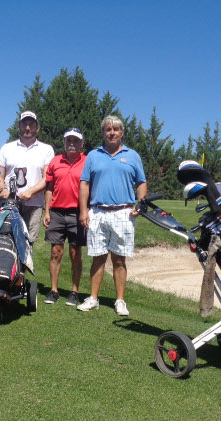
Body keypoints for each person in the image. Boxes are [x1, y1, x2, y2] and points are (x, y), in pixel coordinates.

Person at [77, 115, 147, 315]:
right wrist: (83, 210)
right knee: (98, 258)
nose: (112, 133)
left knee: (119, 259)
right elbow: (84, 183)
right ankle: (93, 298)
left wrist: (140, 204)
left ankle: (120, 300)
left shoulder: (132, 155)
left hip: (124, 213)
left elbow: (141, 182)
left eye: (115, 130)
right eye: (108, 129)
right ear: (103, 133)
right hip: (98, 212)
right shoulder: (93, 155)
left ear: (122, 133)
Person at [42, 128, 88, 306]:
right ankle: (54, 290)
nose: (72, 143)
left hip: (77, 212)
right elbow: (49, 188)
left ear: (81, 144)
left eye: (75, 141)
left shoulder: (87, 161)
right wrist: (46, 211)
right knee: (56, 252)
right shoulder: (55, 161)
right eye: (68, 140)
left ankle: (74, 292)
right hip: (57, 212)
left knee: (75, 253)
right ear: (64, 142)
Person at [0, 111, 54, 243]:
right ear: (19, 126)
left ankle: (25, 265)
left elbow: (47, 178)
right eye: (24, 124)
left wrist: (30, 192)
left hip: (34, 204)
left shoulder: (46, 149)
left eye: (31, 125)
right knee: (7, 240)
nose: (27, 128)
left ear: (37, 128)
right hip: (9, 203)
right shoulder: (7, 148)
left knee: (28, 243)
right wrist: (3, 189)